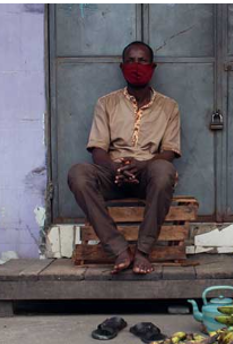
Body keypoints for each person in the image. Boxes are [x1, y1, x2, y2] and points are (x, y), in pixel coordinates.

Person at [68, 41, 181, 274]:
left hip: (147, 176)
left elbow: (169, 151)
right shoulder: (106, 103)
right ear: (122, 67)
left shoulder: (169, 107)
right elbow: (98, 149)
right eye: (130, 61)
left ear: (153, 66)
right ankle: (119, 250)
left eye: (142, 61)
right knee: (78, 174)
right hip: (113, 175)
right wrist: (116, 169)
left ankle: (142, 252)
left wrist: (142, 166)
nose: (136, 66)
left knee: (164, 171)